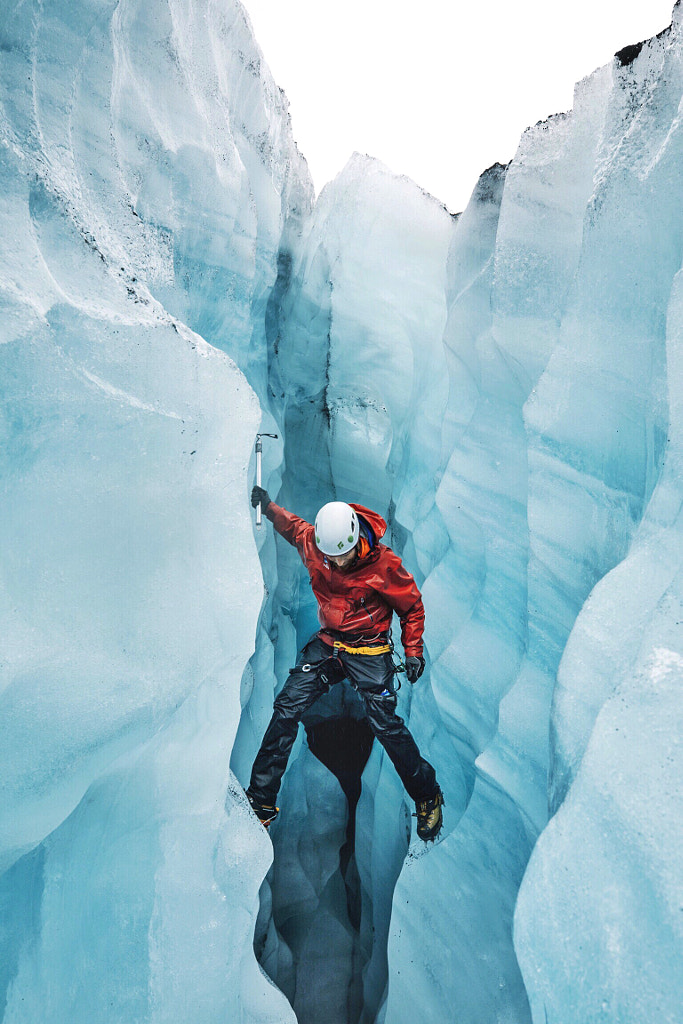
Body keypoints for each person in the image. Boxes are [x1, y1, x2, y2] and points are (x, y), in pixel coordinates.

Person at [246, 486, 443, 842]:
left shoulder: (384, 564)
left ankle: (428, 795)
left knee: (387, 726)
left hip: (368, 651)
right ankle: (261, 803)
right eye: (330, 556)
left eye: (344, 555)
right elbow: (294, 528)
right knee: (287, 707)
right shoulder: (316, 545)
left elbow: (411, 606)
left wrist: (412, 650)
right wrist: (268, 507)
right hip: (328, 645)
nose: (336, 563)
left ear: (356, 539)